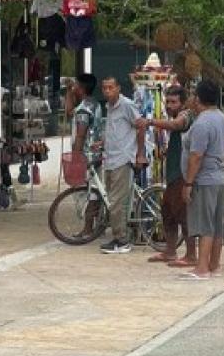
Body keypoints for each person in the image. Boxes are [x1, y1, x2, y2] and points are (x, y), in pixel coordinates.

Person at [139, 86, 198, 267]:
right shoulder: (179, 116)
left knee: (182, 214)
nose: (169, 105)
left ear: (183, 102)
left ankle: (190, 254)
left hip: (182, 174)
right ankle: (170, 251)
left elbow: (176, 125)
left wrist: (150, 122)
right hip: (173, 174)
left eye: (174, 102)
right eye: (168, 101)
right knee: (167, 212)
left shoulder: (187, 116)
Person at [181, 79, 224, 280]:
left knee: (205, 224)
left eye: (193, 94)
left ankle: (202, 268)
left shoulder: (203, 123)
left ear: (198, 98)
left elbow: (196, 156)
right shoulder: (222, 118)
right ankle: (214, 265)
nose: (191, 98)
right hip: (218, 178)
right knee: (217, 224)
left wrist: (188, 183)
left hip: (205, 180)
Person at [99, 76, 146, 254]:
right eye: (104, 88)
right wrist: (102, 143)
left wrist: (140, 154)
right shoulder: (109, 107)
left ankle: (122, 240)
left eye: (111, 87)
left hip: (122, 159)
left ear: (118, 88)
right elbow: (113, 132)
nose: (107, 91)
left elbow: (141, 126)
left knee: (116, 202)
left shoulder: (127, 105)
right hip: (110, 159)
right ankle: (119, 236)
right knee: (114, 201)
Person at [66, 73, 102, 158]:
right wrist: (69, 92)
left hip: (85, 157)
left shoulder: (84, 109)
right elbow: (70, 112)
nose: (74, 86)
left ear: (81, 89)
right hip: (95, 154)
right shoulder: (94, 103)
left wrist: (75, 157)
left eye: (76, 84)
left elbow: (80, 136)